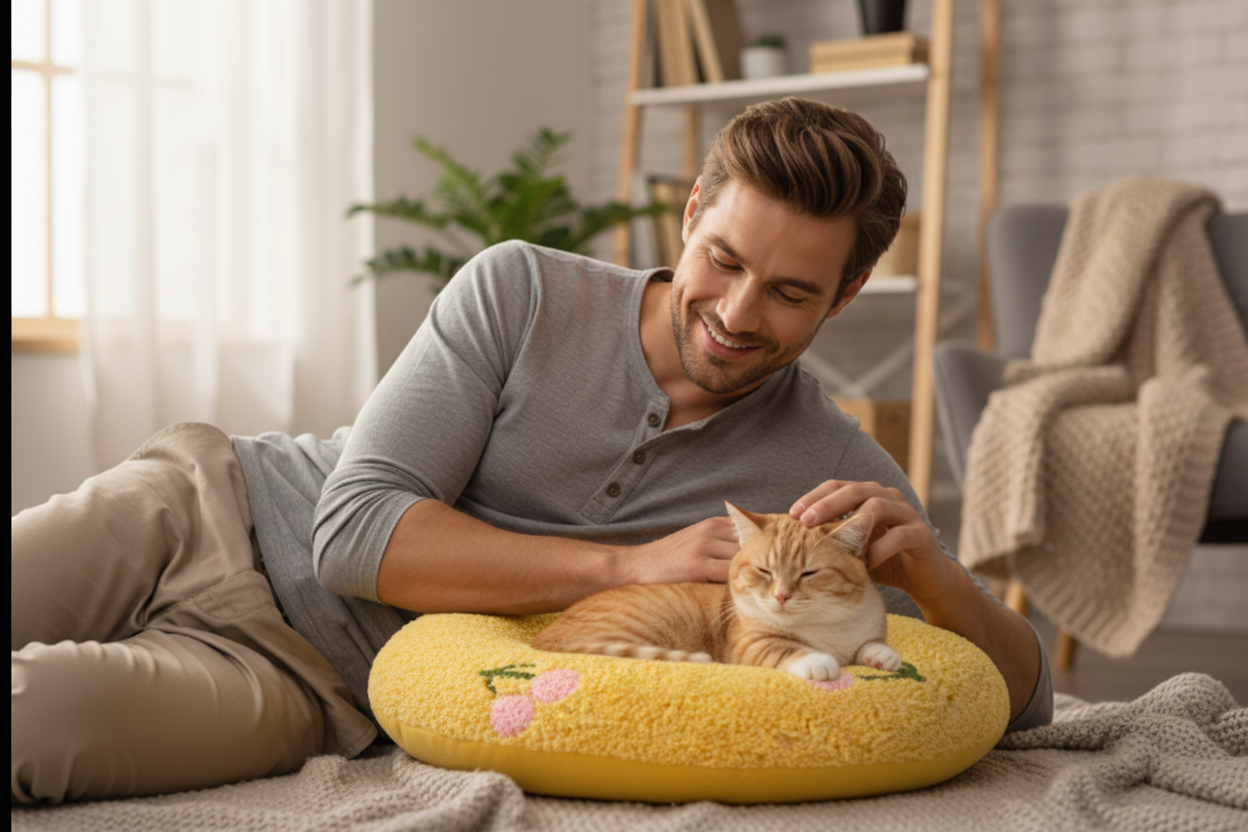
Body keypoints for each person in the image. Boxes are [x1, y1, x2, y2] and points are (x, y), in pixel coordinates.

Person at [11, 97, 1052, 804]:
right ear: (690, 213)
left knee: (34, 722)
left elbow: (1027, 701)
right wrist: (627, 567)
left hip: (305, 679)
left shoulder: (824, 466)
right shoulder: (523, 290)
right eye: (723, 260)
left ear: (847, 293)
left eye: (789, 293)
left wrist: (939, 579)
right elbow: (355, 532)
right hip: (206, 507)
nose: (738, 313)